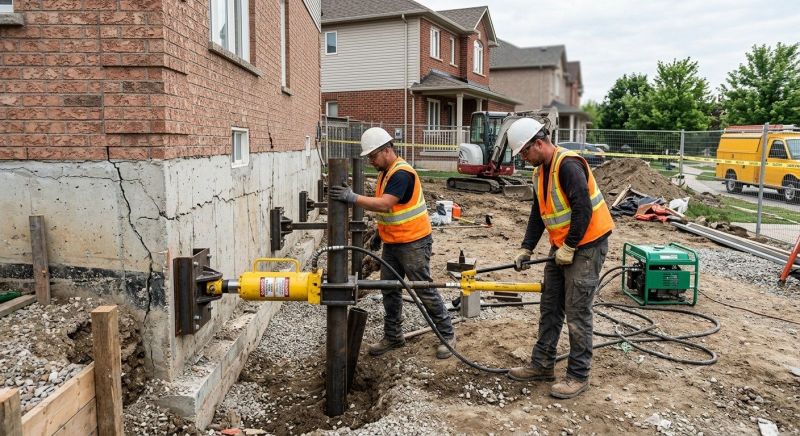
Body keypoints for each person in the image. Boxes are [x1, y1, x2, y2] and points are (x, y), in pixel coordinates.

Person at [505, 117, 615, 399]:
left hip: (587, 244)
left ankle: (578, 375)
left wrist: (569, 247)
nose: (524, 159)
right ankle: (542, 364)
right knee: (550, 305)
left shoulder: (568, 165)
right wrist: (526, 247)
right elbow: (538, 213)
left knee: (577, 311)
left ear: (539, 144)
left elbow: (583, 210)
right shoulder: (540, 171)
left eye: (525, 153)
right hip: (564, 244)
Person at [329, 127, 456, 359]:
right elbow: (394, 211)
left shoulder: (401, 173)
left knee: (423, 289)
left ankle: (447, 335)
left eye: (373, 156)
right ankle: (393, 336)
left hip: (414, 242)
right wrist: (380, 231)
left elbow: (386, 204)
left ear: (387, 150)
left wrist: (352, 198)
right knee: (389, 288)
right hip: (394, 241)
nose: (371, 160)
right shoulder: (385, 172)